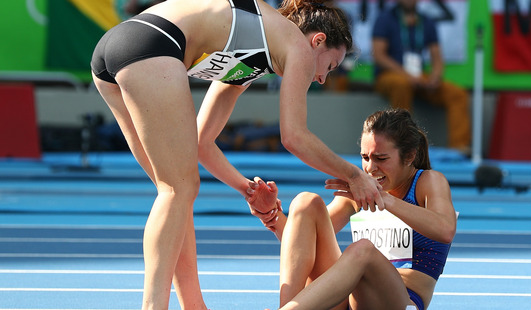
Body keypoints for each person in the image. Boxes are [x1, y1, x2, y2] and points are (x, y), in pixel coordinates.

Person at [90, 0, 384, 309]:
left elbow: (202, 141)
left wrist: (246, 188)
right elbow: (294, 136)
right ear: (318, 41)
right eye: (329, 66)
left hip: (114, 49)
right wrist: (354, 175)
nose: (322, 78)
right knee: (178, 190)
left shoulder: (254, 54)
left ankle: (194, 305)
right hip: (151, 43)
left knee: (176, 196)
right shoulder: (296, 45)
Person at [249, 108, 457, 310]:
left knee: (363, 250)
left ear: (410, 156)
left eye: (381, 159)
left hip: (401, 300)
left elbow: (445, 230)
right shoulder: (357, 194)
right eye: (365, 158)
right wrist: (272, 215)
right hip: (349, 300)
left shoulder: (428, 182)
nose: (371, 168)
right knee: (306, 202)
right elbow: (301, 243)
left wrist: (382, 198)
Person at [371, 0, 471, 155]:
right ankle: (400, 145)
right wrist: (407, 75)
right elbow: (379, 56)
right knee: (402, 85)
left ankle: (459, 148)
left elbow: (437, 58)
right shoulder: (385, 19)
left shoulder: (426, 21)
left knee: (457, 94)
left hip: (418, 77)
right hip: (390, 76)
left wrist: (435, 77)